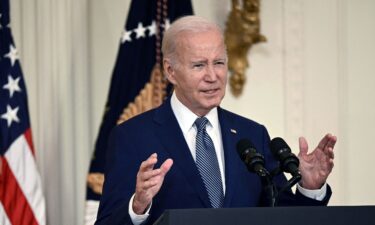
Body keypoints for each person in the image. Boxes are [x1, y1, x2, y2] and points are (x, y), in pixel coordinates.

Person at [95, 16, 337, 225]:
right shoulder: (132, 137)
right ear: (170, 72)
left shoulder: (251, 135)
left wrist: (310, 188)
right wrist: (137, 207)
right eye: (199, 65)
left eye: (219, 63)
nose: (213, 76)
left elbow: (283, 218)